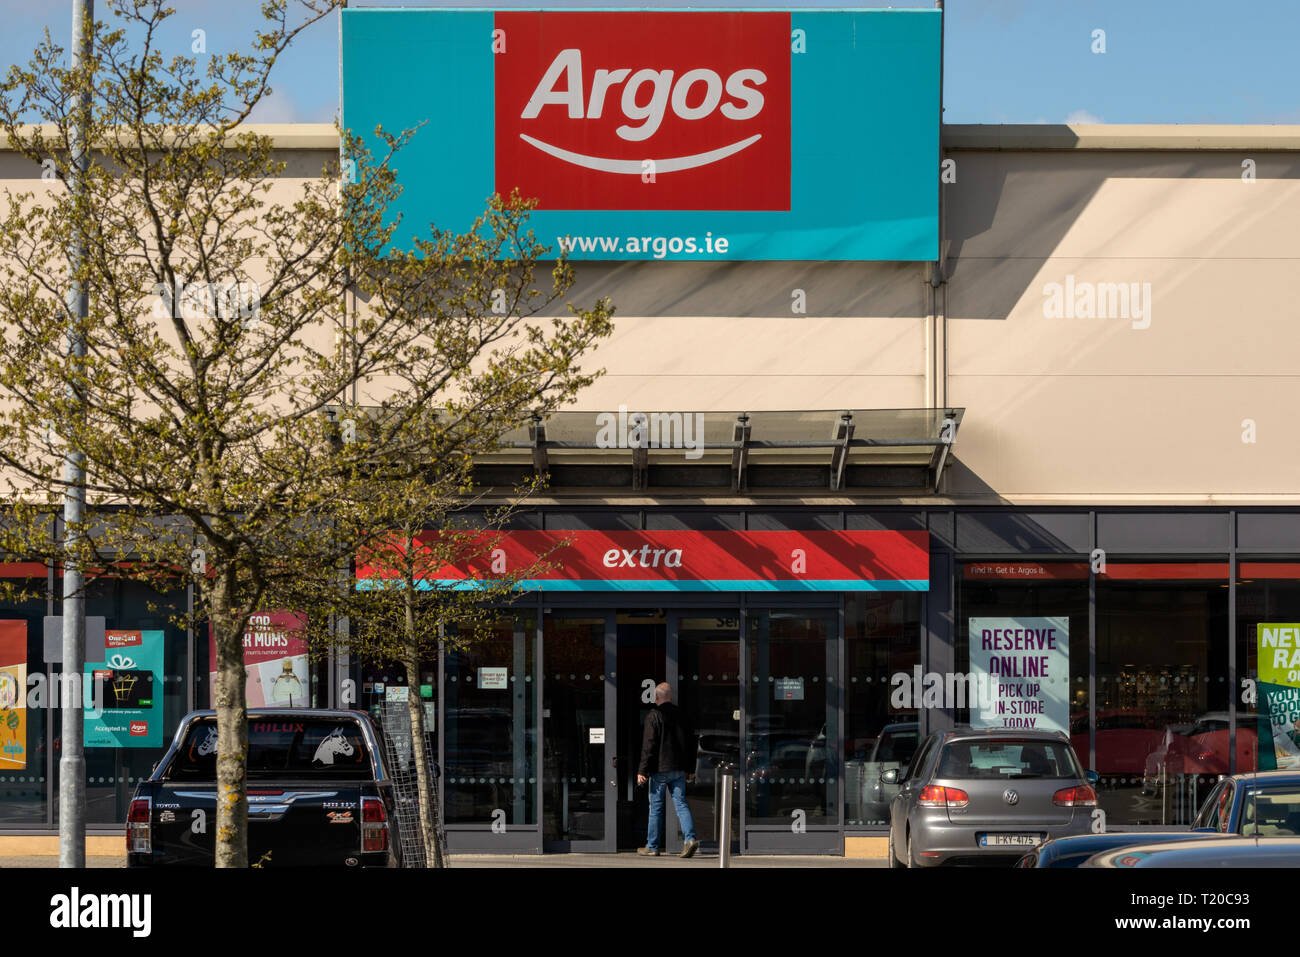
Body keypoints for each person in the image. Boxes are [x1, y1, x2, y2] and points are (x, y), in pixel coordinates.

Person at [636, 682, 699, 858]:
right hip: (679, 768)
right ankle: (690, 839)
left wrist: (642, 770)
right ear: (670, 697)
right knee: (681, 804)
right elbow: (692, 743)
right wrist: (690, 768)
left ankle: (652, 846)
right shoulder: (683, 715)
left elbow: (649, 745)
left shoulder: (654, 715)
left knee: (656, 807)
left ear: (656, 698)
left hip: (659, 769)